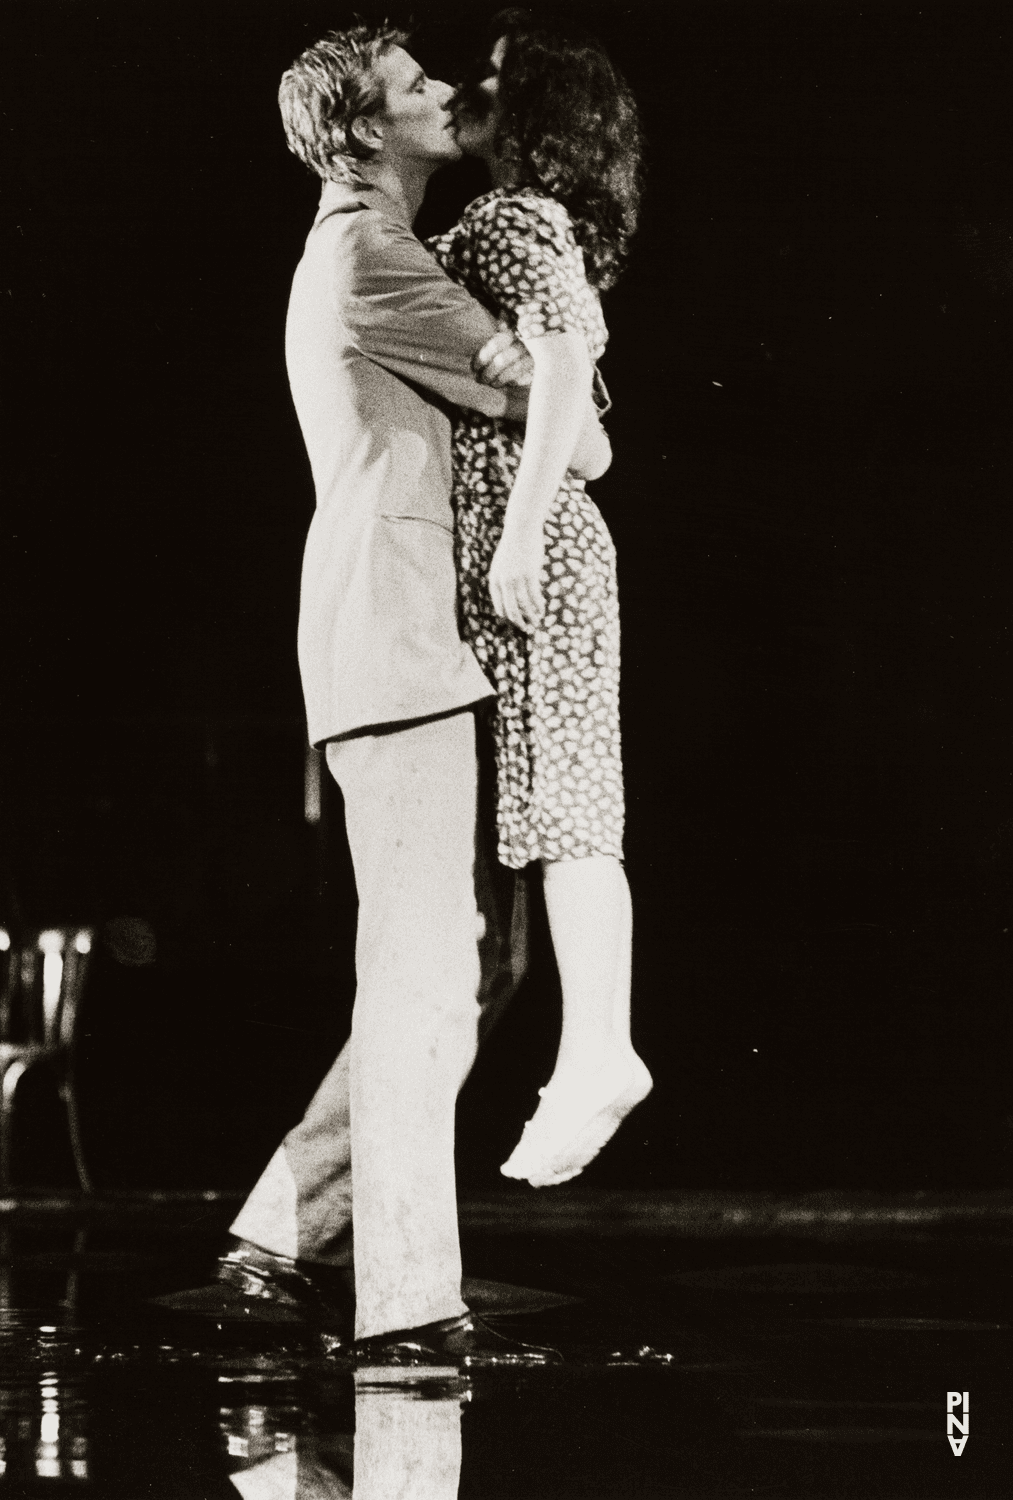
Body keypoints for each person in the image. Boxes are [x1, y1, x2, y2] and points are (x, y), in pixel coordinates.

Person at [196, 23, 610, 1366]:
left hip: (402, 642)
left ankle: (277, 1233)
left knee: (466, 974)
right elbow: (573, 418)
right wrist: (561, 372)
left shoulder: (372, 254)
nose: (445, 96)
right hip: (397, 640)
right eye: (417, 88)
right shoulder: (373, 257)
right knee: (428, 977)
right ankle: (408, 1307)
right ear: (366, 131)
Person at [425, 12, 653, 1189]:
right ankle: (591, 1051)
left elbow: (570, 377)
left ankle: (600, 1050)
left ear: (537, 117)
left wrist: (516, 538)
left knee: (565, 811)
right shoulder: (523, 224)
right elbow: (592, 428)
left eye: (499, 78)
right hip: (547, 540)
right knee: (555, 806)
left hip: (541, 551)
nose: (472, 84)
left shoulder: (513, 216)